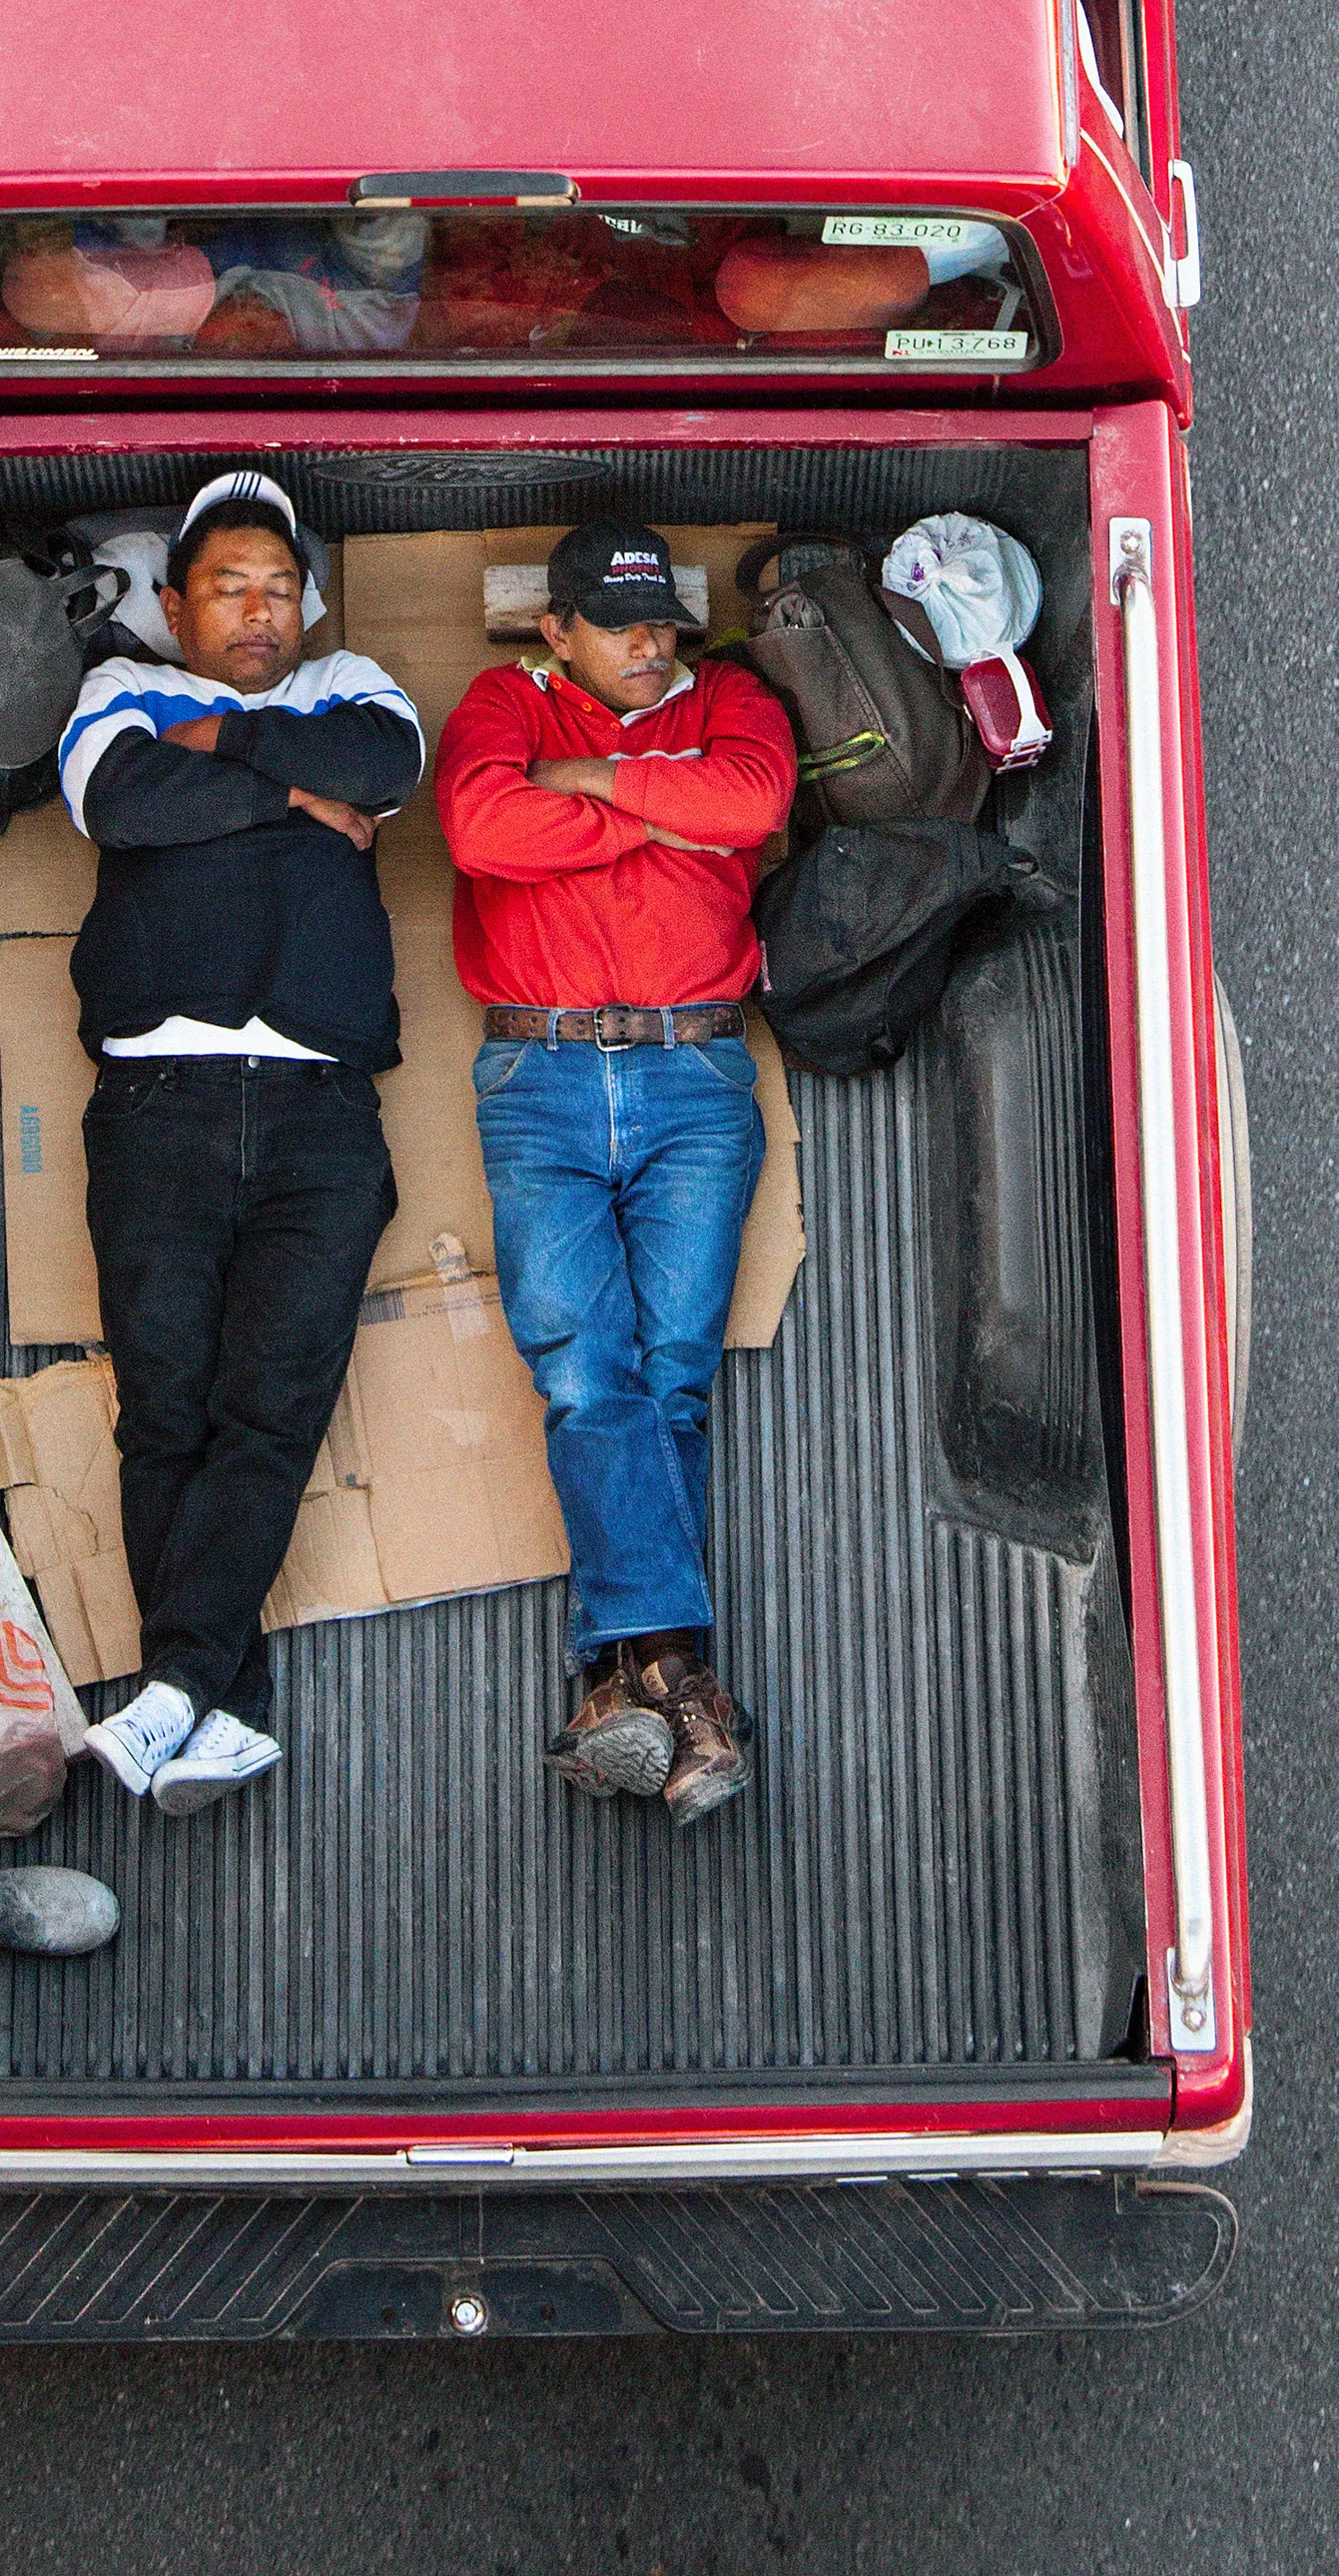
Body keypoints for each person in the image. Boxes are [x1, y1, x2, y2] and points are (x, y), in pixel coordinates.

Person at [56, 469, 424, 1816]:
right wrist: (291, 804)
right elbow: (121, 803)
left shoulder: (355, 683)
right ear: (175, 604)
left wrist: (225, 757)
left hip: (323, 1115)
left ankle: (180, 1696)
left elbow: (381, 768)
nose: (257, 609)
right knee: (164, 1412)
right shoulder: (117, 696)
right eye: (227, 585)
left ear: (309, 603)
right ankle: (212, 1707)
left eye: (279, 585)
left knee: (271, 1410)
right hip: (161, 1104)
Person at [434, 522, 797, 1824]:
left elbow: (749, 802)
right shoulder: (500, 701)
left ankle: (619, 1680)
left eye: (663, 626)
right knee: (588, 1370)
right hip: (538, 1086)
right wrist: (656, 806)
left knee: (671, 1381)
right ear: (559, 633)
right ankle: (676, 1683)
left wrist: (586, 787)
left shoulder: (732, 698)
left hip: (694, 1080)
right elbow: (481, 828)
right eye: (622, 626)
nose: (652, 647)